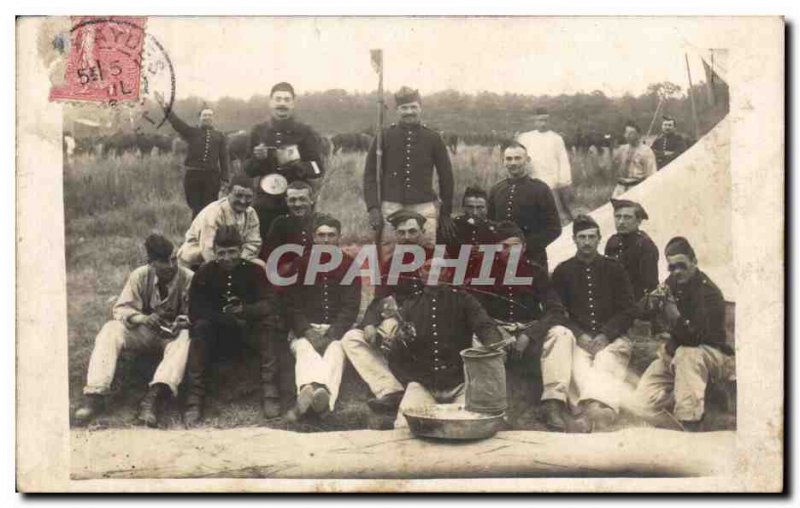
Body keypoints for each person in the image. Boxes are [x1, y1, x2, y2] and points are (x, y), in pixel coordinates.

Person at [342, 258, 503, 428]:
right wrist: (397, 343)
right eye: (427, 268)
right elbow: (399, 354)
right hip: (423, 385)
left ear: (447, 273)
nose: (433, 272)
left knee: (470, 426)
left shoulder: (463, 300)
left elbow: (485, 326)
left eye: (439, 269)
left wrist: (493, 346)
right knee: (403, 427)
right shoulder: (410, 305)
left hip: (460, 384)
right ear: (421, 274)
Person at [73, 234, 193, 427]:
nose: (171, 265)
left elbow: (197, 314)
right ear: (151, 263)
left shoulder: (188, 278)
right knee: (110, 329)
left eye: (173, 258)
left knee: (186, 336)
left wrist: (182, 322)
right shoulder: (141, 275)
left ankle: (154, 398)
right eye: (164, 261)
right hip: (145, 331)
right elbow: (121, 309)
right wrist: (143, 318)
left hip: (173, 334)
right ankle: (95, 395)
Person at [183, 226, 284, 424]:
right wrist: (226, 318)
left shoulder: (255, 271)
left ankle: (271, 393)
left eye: (232, 252)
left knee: (269, 325)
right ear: (214, 251)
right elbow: (195, 310)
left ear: (241, 250)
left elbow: (271, 304)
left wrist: (245, 310)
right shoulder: (204, 273)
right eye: (221, 253)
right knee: (201, 328)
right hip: (218, 337)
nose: (227, 258)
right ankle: (194, 400)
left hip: (248, 335)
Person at [632, 237, 734, 431]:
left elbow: (693, 339)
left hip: (712, 355)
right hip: (677, 353)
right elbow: (641, 312)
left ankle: (690, 422)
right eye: (672, 267)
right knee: (640, 404)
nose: (677, 272)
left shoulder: (708, 292)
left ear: (694, 262)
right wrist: (650, 302)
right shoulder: (672, 282)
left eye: (682, 265)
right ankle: (677, 424)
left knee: (687, 354)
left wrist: (672, 312)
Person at [548, 215, 637, 432]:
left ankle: (599, 412)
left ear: (599, 239)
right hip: (581, 340)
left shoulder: (614, 268)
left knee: (607, 361)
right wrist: (579, 335)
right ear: (574, 240)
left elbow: (628, 309)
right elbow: (556, 312)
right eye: (582, 237)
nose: (587, 242)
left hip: (612, 338)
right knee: (577, 367)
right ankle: (589, 412)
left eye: (591, 237)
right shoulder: (563, 271)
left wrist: (607, 334)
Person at [283, 214, 361, 421]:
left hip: (335, 330)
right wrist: (307, 332)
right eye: (321, 235)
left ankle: (315, 396)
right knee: (304, 349)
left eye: (331, 235)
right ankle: (317, 399)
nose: (326, 240)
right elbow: (291, 305)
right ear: (313, 238)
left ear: (339, 237)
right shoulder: (300, 264)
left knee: (335, 351)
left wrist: (332, 333)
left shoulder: (349, 264)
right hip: (304, 330)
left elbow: (351, 307)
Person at [363, 86, 456, 253]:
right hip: (391, 205)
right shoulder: (383, 137)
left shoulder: (433, 138)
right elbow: (370, 175)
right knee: (388, 251)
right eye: (404, 108)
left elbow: (446, 177)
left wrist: (446, 213)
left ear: (420, 108)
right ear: (397, 110)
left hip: (424, 205)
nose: (409, 112)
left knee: (427, 249)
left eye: (413, 107)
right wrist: (373, 208)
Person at [473, 221, 567, 376]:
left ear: (523, 247)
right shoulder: (485, 272)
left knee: (562, 334)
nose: (510, 251)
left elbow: (556, 310)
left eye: (515, 246)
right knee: (474, 338)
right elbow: (475, 310)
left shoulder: (536, 271)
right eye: (504, 246)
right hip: (496, 330)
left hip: (529, 330)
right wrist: (495, 331)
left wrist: (530, 334)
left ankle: (554, 396)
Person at [243, 82, 325, 241]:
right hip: (265, 203)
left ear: (293, 103)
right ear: (270, 102)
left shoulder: (305, 132)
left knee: (298, 250)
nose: (282, 103)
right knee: (265, 246)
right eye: (278, 99)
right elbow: (247, 169)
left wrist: (297, 164)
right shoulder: (258, 131)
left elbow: (318, 168)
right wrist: (257, 159)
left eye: (287, 100)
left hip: (297, 203)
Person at [488, 142, 562, 271]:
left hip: (532, 260)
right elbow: (489, 225)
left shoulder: (541, 190)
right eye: (509, 159)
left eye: (518, 158)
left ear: (527, 160)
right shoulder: (496, 190)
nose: (513, 163)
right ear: (503, 161)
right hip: (501, 261)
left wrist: (525, 245)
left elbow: (554, 228)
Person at [156, 92, 230, 218]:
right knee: (195, 207)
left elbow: (224, 158)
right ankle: (194, 235)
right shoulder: (191, 132)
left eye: (210, 115)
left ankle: (207, 235)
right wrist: (165, 106)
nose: (207, 117)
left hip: (212, 177)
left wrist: (225, 178)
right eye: (205, 115)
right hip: (193, 177)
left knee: (209, 209)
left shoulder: (219, 136)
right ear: (199, 118)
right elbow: (176, 122)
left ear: (213, 119)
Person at [176, 175, 262, 270]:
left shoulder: (251, 213)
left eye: (248, 197)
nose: (243, 201)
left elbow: (253, 243)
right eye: (238, 195)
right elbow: (208, 250)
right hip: (197, 261)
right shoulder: (215, 213)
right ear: (228, 193)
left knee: (260, 266)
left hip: (233, 258)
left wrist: (239, 263)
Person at [516, 107, 573, 222]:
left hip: (551, 182)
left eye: (546, 120)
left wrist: (563, 180)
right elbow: (519, 157)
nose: (543, 123)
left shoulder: (556, 138)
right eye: (540, 120)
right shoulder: (525, 138)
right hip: (531, 180)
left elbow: (563, 161)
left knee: (555, 214)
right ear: (534, 120)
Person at [604, 199, 659, 302]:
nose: (621, 222)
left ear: (638, 221)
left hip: (636, 304)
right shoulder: (612, 241)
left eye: (627, 217)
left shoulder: (645, 245)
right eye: (618, 217)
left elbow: (650, 285)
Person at [262, 180, 320, 269]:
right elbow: (270, 256)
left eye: (302, 199)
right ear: (286, 201)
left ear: (311, 200)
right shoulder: (280, 224)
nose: (297, 204)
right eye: (292, 200)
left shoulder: (321, 221)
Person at [611, 121, 657, 198]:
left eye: (631, 133)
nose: (628, 136)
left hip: (636, 187)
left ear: (638, 135)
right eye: (626, 133)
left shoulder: (646, 151)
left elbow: (651, 173)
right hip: (621, 187)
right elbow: (613, 165)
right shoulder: (622, 149)